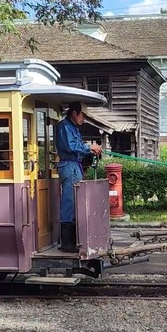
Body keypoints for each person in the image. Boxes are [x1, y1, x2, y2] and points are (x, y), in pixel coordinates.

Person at [55, 101, 102, 252]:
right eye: (83, 115)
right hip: (69, 166)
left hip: (74, 166)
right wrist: (89, 147)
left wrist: (89, 149)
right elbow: (71, 146)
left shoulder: (72, 127)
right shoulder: (64, 126)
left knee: (75, 202)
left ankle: (73, 241)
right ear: (74, 113)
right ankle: (67, 243)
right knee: (70, 202)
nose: (84, 119)